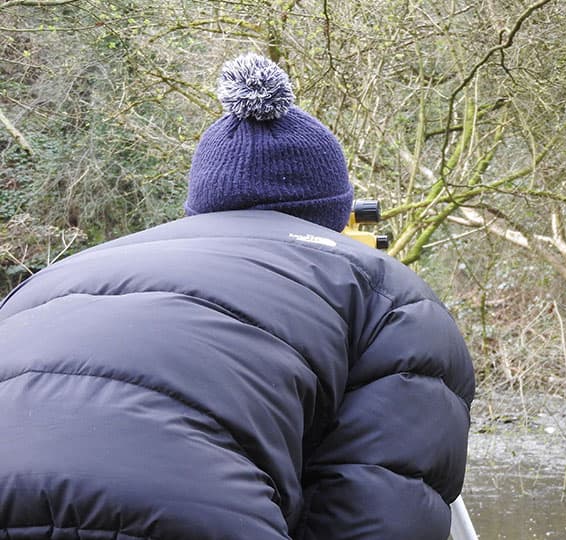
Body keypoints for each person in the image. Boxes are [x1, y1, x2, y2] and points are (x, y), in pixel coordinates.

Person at [0, 53, 475, 540]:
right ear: (335, 213)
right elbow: (383, 507)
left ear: (199, 205)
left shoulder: (46, 282)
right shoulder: (383, 293)